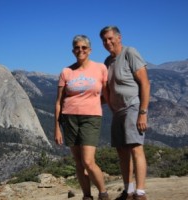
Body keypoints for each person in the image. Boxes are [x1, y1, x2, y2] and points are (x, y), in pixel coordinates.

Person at [54, 35, 110, 200]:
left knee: (88, 161)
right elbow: (58, 102)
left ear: (90, 50)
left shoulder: (100, 68)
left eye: (84, 47)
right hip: (69, 118)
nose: (81, 50)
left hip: (91, 118)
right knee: (78, 162)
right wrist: (57, 127)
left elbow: (107, 95)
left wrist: (92, 103)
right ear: (73, 51)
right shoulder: (66, 71)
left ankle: (103, 193)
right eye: (77, 48)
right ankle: (87, 196)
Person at [99, 26, 150, 200]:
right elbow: (108, 93)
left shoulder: (130, 52)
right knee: (121, 151)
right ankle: (128, 191)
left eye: (110, 38)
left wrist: (143, 112)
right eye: (104, 40)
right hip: (117, 111)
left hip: (133, 107)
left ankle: (140, 193)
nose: (107, 42)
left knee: (135, 148)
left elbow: (145, 83)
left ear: (119, 37)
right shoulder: (108, 62)